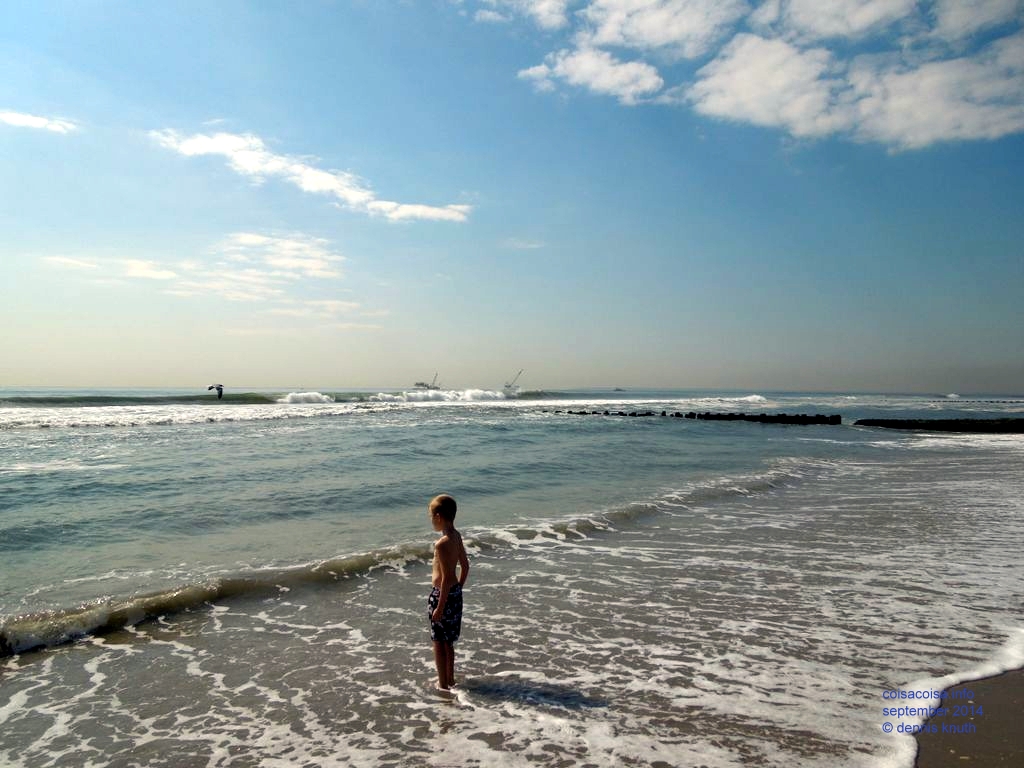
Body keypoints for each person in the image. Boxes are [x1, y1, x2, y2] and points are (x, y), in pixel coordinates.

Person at [427, 494, 469, 691]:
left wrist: (440, 607)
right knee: (448, 642)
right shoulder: (457, 536)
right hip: (454, 594)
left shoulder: (441, 544)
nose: (430, 520)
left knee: (438, 642)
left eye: (430, 516)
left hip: (441, 596)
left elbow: (444, 579)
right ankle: (450, 680)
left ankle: (442, 683)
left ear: (438, 516)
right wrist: (458, 587)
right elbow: (465, 566)